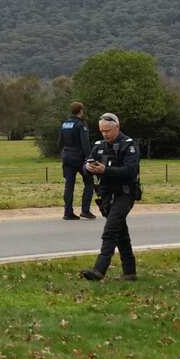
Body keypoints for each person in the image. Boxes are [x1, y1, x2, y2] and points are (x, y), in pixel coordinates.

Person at [80, 113, 141, 282]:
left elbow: (130, 171)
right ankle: (130, 272)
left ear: (117, 127)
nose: (105, 134)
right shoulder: (99, 146)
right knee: (121, 234)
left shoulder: (129, 145)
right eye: (102, 131)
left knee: (111, 230)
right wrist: (88, 167)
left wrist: (105, 170)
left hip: (125, 193)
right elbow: (87, 165)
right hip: (106, 194)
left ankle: (99, 270)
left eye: (107, 130)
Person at [58, 101, 95, 220]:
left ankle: (67, 212)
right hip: (79, 158)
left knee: (69, 185)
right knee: (89, 182)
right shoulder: (81, 124)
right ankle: (85, 210)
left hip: (67, 157)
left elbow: (60, 142)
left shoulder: (65, 124)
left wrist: (63, 154)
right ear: (80, 111)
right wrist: (89, 158)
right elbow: (85, 143)